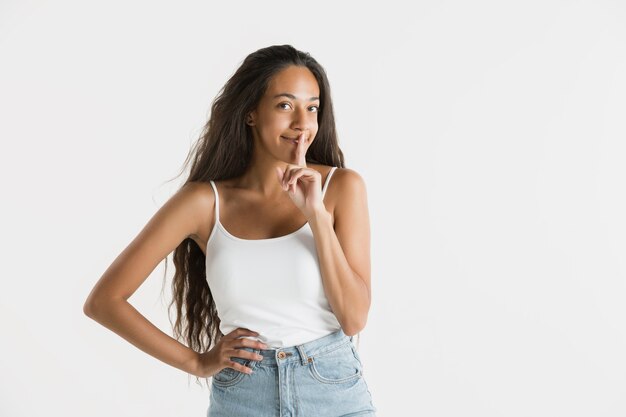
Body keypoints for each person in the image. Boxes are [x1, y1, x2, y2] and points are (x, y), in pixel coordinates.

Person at [83, 44, 377, 416]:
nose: (303, 123)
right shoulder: (204, 203)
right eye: (285, 105)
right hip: (244, 395)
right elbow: (104, 301)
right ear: (251, 113)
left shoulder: (342, 188)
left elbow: (353, 319)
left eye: (312, 107)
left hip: (331, 391)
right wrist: (197, 362)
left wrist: (315, 214)